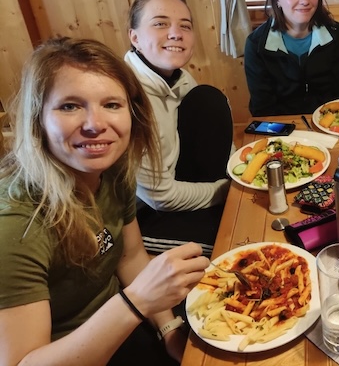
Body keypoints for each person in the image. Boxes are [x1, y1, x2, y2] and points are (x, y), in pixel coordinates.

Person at [0, 37, 210, 365]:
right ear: (37, 118)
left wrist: (168, 328)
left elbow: (130, 257)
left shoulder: (113, 171)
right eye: (69, 106)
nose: (96, 125)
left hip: (124, 325)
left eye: (111, 105)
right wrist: (136, 303)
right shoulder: (15, 224)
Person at [126, 0, 235, 256]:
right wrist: (226, 191)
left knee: (209, 99)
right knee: (236, 242)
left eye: (185, 26)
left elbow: (218, 137)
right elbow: (160, 197)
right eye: (160, 23)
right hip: (141, 218)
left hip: (180, 184)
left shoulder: (180, 78)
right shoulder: (128, 97)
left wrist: (236, 174)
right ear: (135, 37)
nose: (176, 33)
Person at [244, 0, 339, 116]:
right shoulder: (256, 45)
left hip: (327, 124)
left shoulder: (337, 34)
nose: (305, 0)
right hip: (281, 128)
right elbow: (262, 109)